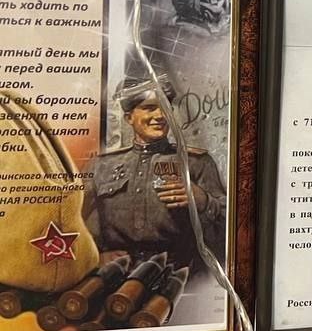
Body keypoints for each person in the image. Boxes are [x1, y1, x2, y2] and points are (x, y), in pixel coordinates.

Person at [84, 76, 227, 270]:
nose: (160, 115)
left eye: (165, 107)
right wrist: (95, 257)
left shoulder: (196, 163)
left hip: (180, 273)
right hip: (116, 274)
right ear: (129, 118)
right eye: (150, 108)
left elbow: (231, 229)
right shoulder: (101, 165)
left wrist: (204, 200)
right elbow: (74, 222)